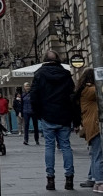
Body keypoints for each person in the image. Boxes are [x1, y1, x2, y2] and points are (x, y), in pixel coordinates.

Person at [32, 50, 77, 190]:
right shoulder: (65, 74)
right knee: (66, 146)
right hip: (64, 115)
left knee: (49, 147)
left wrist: (39, 113)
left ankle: (50, 179)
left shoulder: (39, 74)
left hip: (47, 115)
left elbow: (34, 95)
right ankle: (69, 178)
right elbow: (72, 95)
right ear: (58, 59)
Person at [75, 68, 103, 193]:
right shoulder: (90, 89)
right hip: (95, 124)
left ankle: (95, 179)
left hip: (89, 123)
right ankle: (100, 181)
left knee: (95, 153)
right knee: (99, 154)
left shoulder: (83, 89)